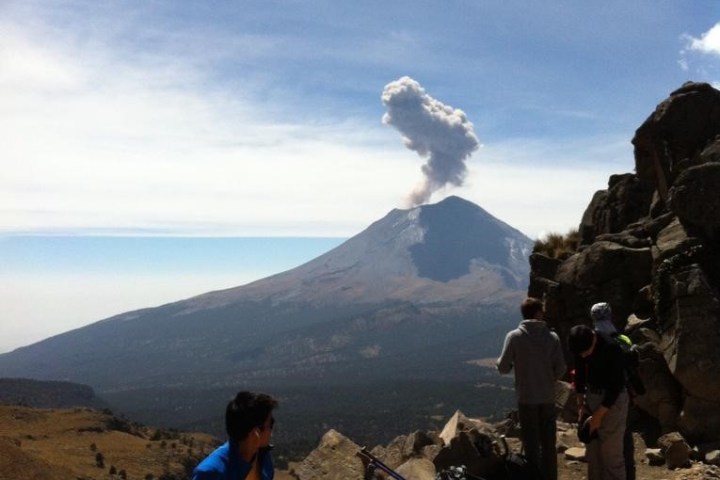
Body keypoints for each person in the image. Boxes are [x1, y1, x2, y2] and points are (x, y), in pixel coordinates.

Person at [497, 297, 566, 480]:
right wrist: (549, 379)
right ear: (538, 313)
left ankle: (532, 476)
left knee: (531, 444)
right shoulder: (552, 337)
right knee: (549, 444)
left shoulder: (514, 337)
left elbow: (503, 368)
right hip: (548, 398)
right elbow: (561, 368)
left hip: (526, 398)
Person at [569, 324, 628, 480]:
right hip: (592, 395)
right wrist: (581, 404)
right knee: (593, 454)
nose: (583, 356)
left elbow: (616, 387)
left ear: (594, 340)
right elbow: (580, 376)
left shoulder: (612, 348)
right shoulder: (580, 345)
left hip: (613, 401)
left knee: (611, 454)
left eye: (586, 352)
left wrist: (598, 416)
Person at [590, 302, 637, 480]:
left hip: (600, 396)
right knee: (624, 440)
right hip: (624, 393)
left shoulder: (593, 339)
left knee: (604, 443)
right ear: (609, 315)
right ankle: (629, 474)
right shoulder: (621, 338)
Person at [192, 391, 278, 480]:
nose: (272, 429)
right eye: (271, 423)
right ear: (254, 433)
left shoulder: (263, 457)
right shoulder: (210, 473)